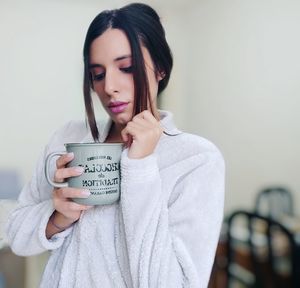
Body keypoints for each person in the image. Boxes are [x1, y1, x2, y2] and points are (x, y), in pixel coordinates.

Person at [6, 3, 225, 288]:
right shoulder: (67, 138)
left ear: (160, 68)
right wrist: (57, 216)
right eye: (97, 74)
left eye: (127, 67)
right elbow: (16, 235)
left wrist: (141, 167)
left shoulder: (196, 159)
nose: (109, 86)